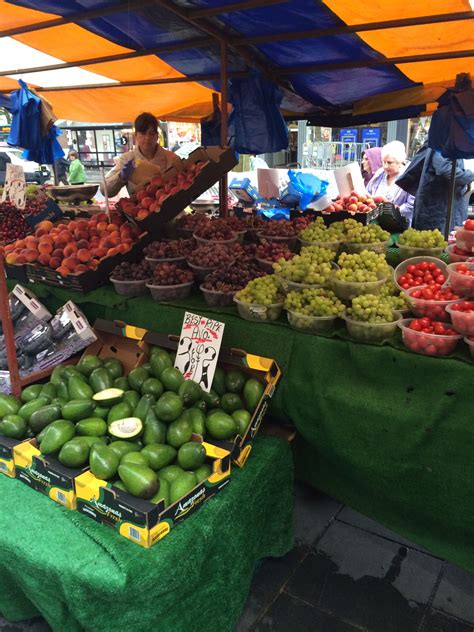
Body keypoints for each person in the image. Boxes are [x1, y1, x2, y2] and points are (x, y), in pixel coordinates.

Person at [397, 141, 474, 232]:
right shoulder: (444, 140)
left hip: (441, 209)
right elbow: (445, 170)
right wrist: (470, 175)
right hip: (438, 212)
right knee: (436, 243)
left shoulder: (447, 140)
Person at [101, 112, 180, 197]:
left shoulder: (172, 158)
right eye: (143, 133)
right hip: (138, 208)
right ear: (136, 136)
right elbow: (104, 190)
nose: (147, 138)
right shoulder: (127, 159)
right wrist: (120, 176)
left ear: (157, 136)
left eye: (151, 133)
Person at [366, 140, 415, 226]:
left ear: (400, 162)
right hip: (375, 224)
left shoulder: (409, 178)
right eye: (383, 162)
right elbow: (367, 193)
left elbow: (411, 206)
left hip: (399, 226)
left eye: (389, 162)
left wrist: (390, 209)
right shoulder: (379, 174)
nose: (385, 166)